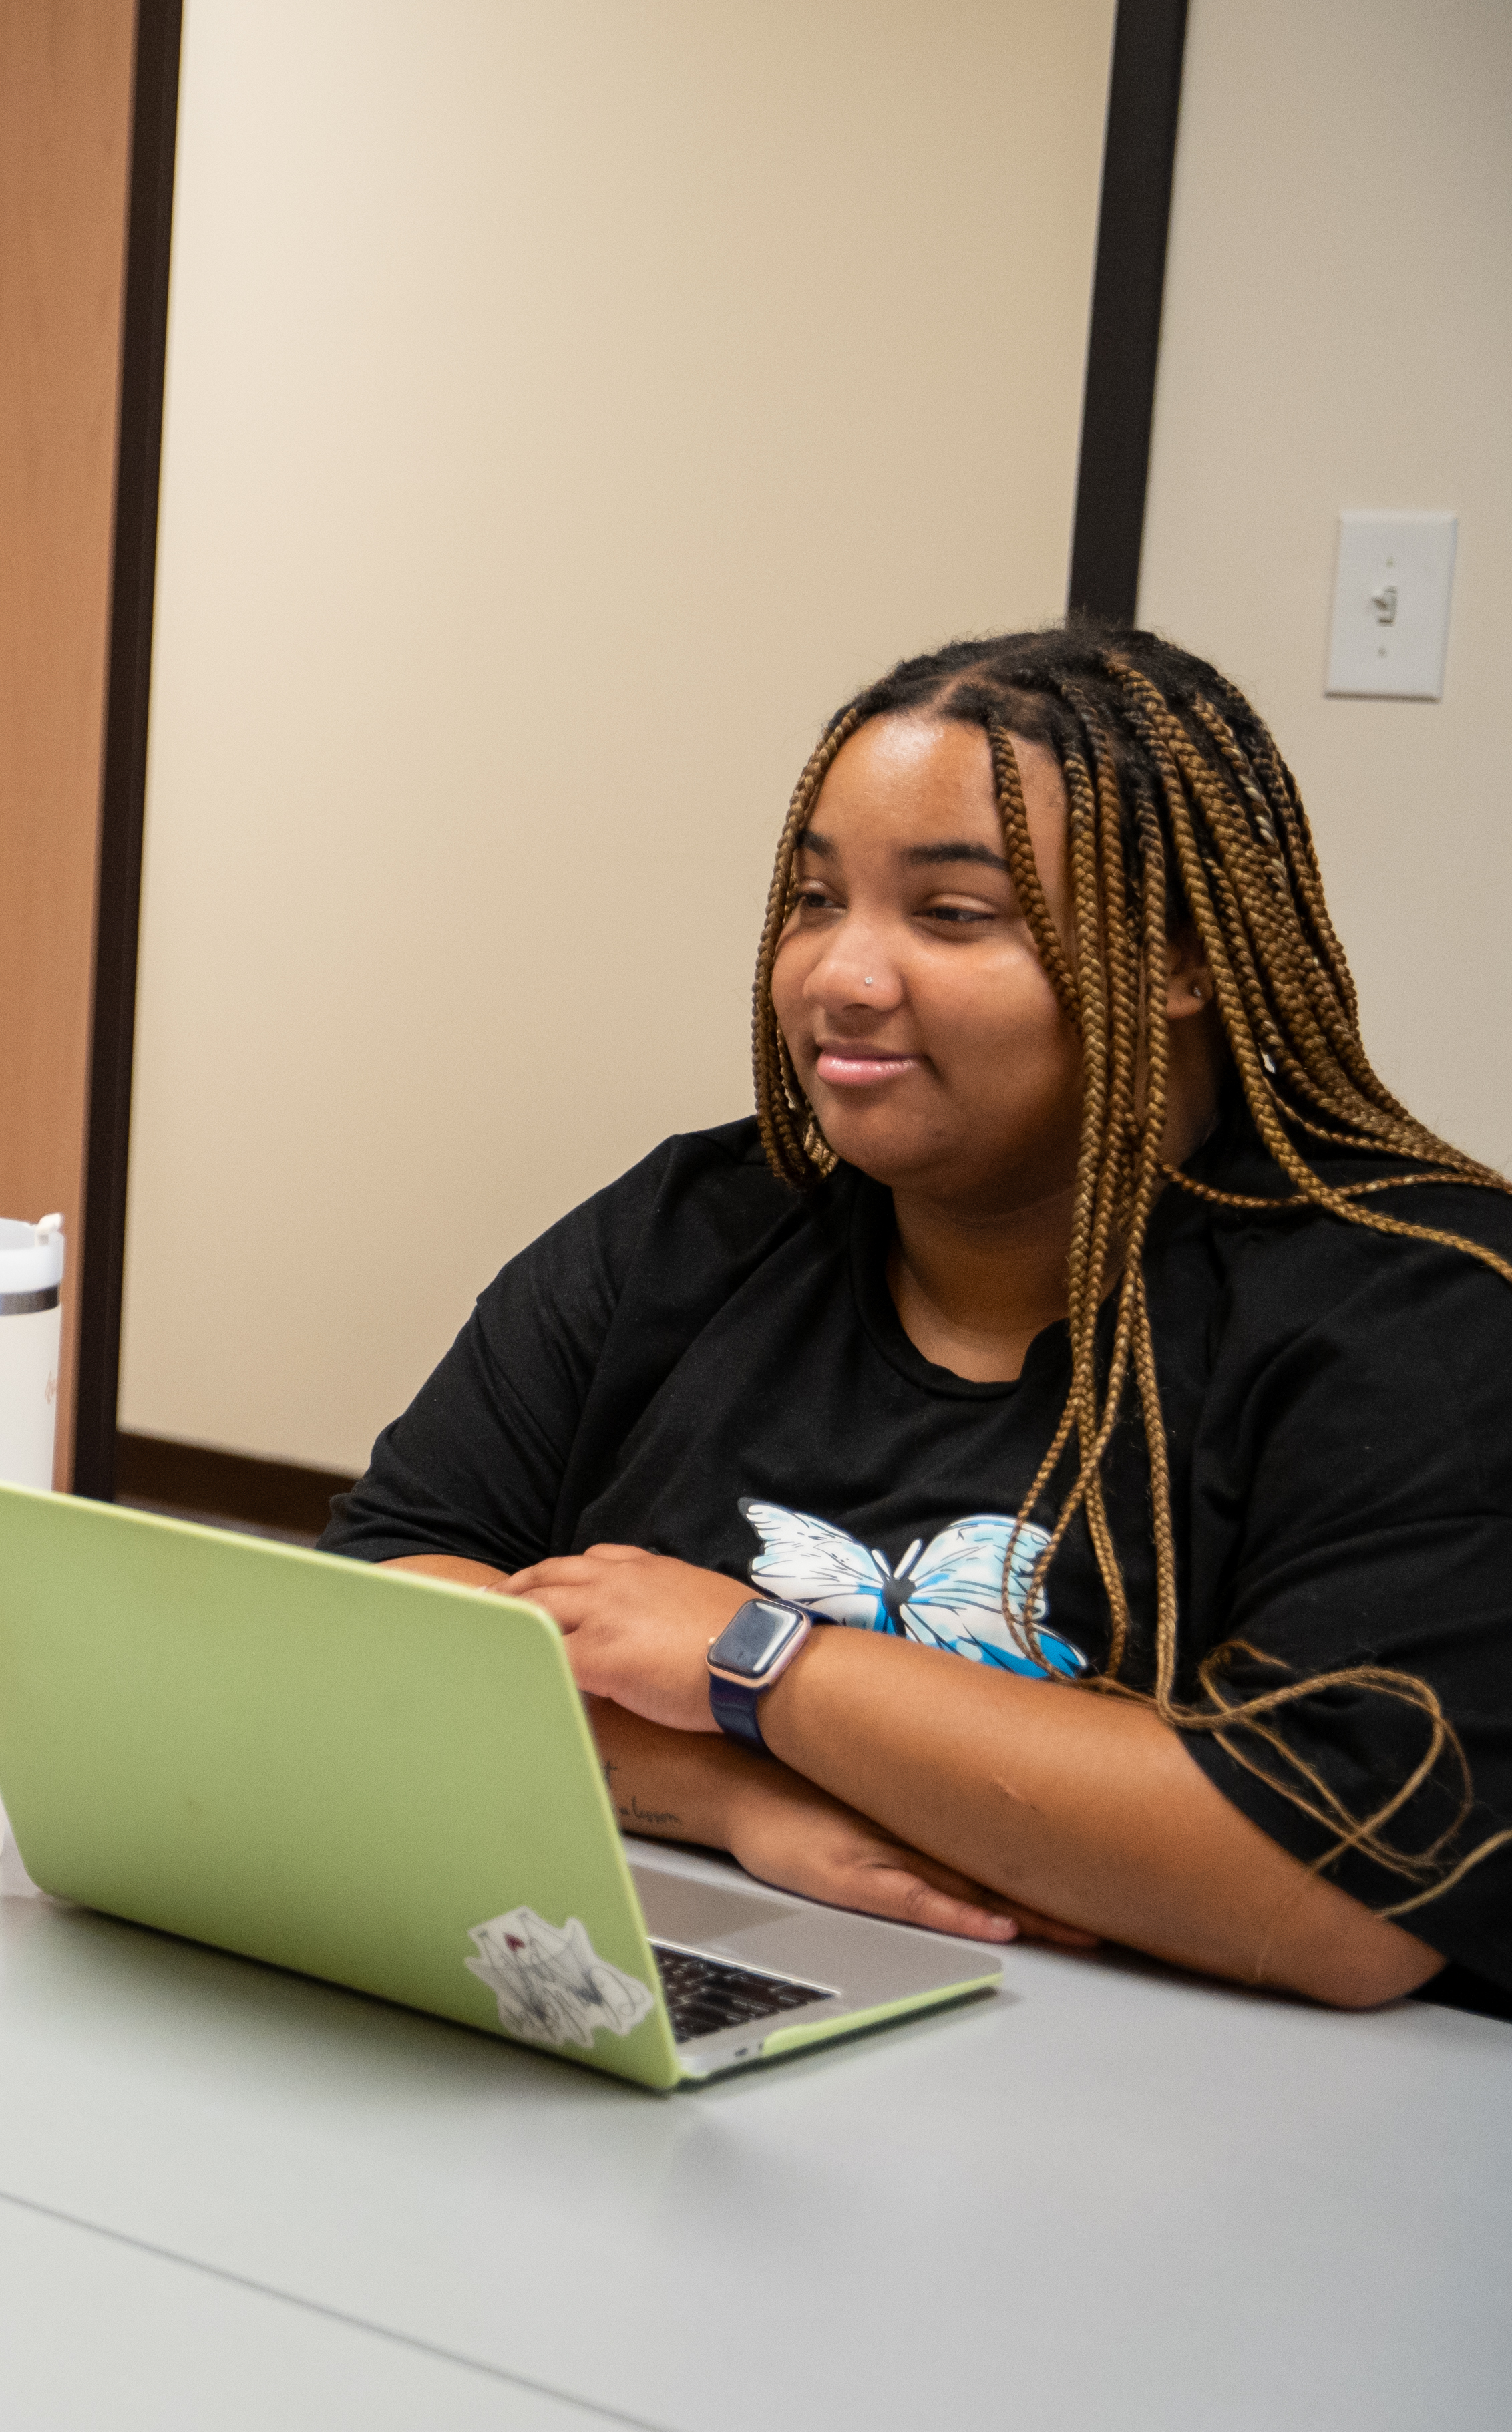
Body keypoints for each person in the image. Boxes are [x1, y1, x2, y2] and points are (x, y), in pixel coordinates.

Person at [323, 625, 1512, 2010]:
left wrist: (754, 1661)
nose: (840, 972)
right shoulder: (693, 1229)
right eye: (818, 897)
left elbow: (1342, 1894)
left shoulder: (1419, 1307)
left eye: (952, 914)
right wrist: (730, 1795)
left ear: (1181, 953)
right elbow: (381, 1608)